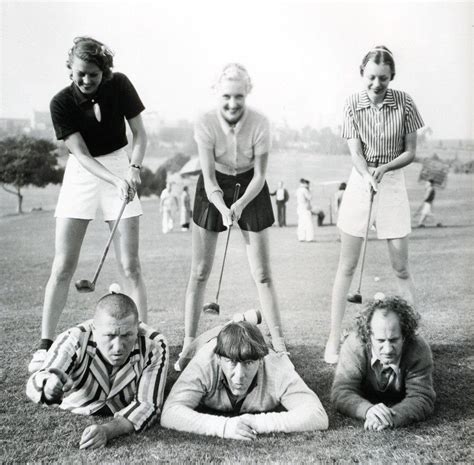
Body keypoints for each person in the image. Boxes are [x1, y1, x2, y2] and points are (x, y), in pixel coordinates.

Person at [29, 36, 148, 373]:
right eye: (80, 74)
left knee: (130, 266)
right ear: (71, 69)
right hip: (83, 173)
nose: (85, 80)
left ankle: (139, 343)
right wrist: (115, 180)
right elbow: (79, 153)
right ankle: (45, 345)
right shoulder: (60, 103)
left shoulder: (120, 84)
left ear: (104, 72)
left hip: (120, 164)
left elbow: (140, 134)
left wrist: (133, 170)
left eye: (93, 75)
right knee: (63, 265)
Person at [324, 46, 425, 364]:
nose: (376, 83)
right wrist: (367, 173)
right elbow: (355, 152)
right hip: (360, 180)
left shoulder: (405, 102)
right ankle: (332, 340)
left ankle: (414, 339)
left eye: (383, 77)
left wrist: (385, 169)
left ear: (391, 76)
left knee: (400, 267)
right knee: (347, 265)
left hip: (392, 182)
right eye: (371, 77)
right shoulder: (352, 103)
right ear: (362, 75)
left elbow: (411, 151)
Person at [181, 63, 286, 357]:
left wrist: (239, 205)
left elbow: (260, 176)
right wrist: (221, 205)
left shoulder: (261, 123)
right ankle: (189, 342)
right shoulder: (204, 123)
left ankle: (278, 341)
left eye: (239, 96)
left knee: (263, 273)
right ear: (217, 93)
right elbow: (210, 178)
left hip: (251, 184)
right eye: (226, 96)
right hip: (214, 184)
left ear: (247, 93)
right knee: (200, 272)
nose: (232, 103)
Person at [26, 293, 169, 449]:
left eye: (127, 335)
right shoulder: (74, 338)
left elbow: (148, 405)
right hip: (77, 406)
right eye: (110, 335)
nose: (118, 347)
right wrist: (48, 385)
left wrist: (108, 431)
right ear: (94, 328)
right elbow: (39, 378)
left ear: (138, 328)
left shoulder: (154, 344)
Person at [161, 321, 328, 439]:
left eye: (248, 363)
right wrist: (224, 427)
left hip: (261, 344)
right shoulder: (205, 363)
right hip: (207, 340)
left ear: (261, 360)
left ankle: (242, 322)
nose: (239, 375)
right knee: (184, 362)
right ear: (219, 359)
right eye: (231, 362)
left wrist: (256, 422)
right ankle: (236, 322)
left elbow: (317, 414)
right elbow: (170, 412)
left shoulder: (275, 366)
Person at [331, 296, 435, 430]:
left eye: (393, 340)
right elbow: (341, 391)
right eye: (380, 341)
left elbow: (422, 396)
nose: (387, 349)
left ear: (404, 335)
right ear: (368, 336)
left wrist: (392, 417)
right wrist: (367, 410)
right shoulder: (354, 345)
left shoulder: (418, 348)